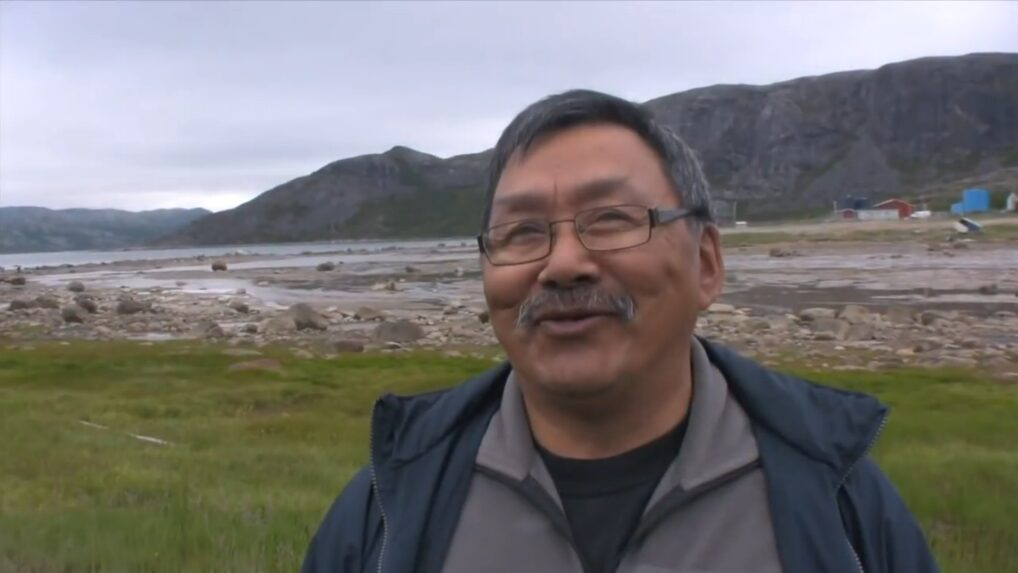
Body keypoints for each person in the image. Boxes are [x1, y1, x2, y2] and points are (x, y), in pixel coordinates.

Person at [302, 90, 939, 573]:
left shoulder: (839, 505)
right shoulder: (392, 505)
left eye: (610, 219)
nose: (561, 265)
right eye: (521, 232)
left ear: (707, 265)